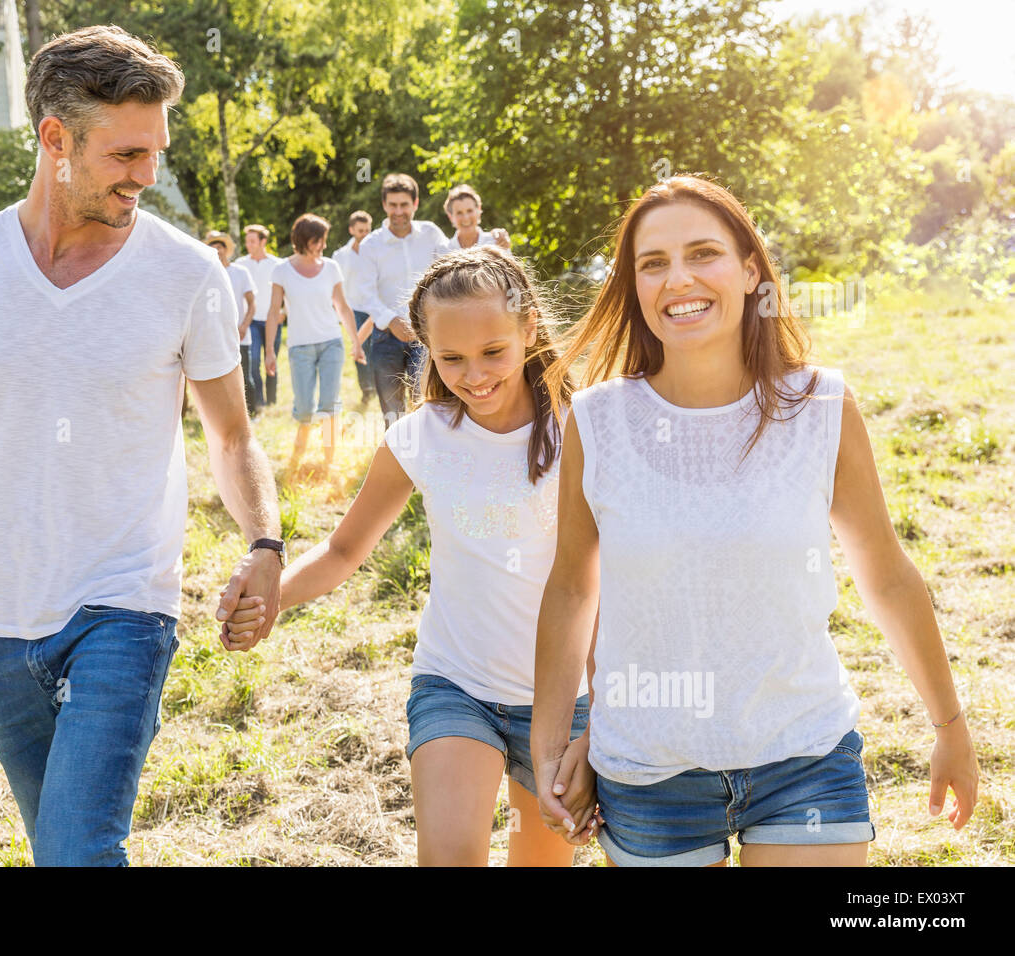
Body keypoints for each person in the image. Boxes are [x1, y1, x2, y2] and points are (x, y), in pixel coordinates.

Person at [0, 25, 285, 867]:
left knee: (78, 853)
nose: (147, 176)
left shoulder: (186, 275)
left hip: (126, 607)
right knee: (59, 854)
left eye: (157, 152)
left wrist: (264, 540)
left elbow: (232, 435)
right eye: (126, 154)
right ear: (55, 140)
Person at [531, 174, 980, 867]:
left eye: (702, 253)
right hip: (651, 772)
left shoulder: (821, 407)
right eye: (653, 263)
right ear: (635, 286)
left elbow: (886, 576)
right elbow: (571, 591)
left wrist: (950, 725)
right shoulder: (598, 420)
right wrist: (553, 743)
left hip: (803, 754)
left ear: (749, 272)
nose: (678, 278)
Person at [227, 245, 595, 865]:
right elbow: (344, 550)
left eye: (493, 353)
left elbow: (608, 580)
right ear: (425, 346)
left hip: (564, 699)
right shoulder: (419, 438)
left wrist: (608, 705)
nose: (474, 375)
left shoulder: (582, 429)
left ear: (529, 327)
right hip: (456, 685)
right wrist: (271, 598)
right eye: (451, 358)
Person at [265, 213, 366, 476]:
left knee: (330, 405)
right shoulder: (282, 271)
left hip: (331, 343)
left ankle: (329, 462)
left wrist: (356, 343)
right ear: (303, 239)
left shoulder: (331, 267)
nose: (322, 244)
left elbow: (342, 307)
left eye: (323, 239)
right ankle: (296, 459)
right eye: (317, 239)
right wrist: (269, 352)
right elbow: (274, 313)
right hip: (300, 347)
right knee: (306, 408)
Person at [353, 173, 448, 426]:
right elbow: (366, 293)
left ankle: (425, 461)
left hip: (425, 334)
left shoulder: (431, 234)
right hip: (385, 338)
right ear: (384, 205)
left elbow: (453, 266)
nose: (398, 211)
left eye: (404, 205)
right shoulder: (371, 244)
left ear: (415, 204)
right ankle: (397, 462)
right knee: (392, 412)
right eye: (393, 205)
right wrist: (391, 320)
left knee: (425, 404)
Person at [206, 229, 257, 416]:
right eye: (213, 247)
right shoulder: (206, 274)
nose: (217, 251)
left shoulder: (240, 272)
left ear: (226, 250)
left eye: (220, 247)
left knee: (245, 376)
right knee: (220, 377)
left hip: (240, 333)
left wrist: (244, 325)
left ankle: (252, 412)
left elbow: (252, 303)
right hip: (216, 336)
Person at [235, 224, 285, 409]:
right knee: (254, 361)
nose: (248, 244)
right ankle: (259, 401)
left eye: (252, 241)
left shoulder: (277, 264)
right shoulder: (241, 264)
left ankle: (272, 401)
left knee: (271, 360)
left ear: (263, 242)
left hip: (273, 321)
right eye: (247, 241)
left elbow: (287, 291)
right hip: (253, 322)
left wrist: (284, 313)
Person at [331, 210, 376, 403]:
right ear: (351, 230)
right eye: (360, 230)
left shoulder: (377, 251)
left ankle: (378, 384)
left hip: (375, 306)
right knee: (359, 346)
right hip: (353, 308)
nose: (364, 234)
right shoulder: (340, 256)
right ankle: (367, 388)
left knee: (379, 348)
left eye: (367, 230)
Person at [440, 184, 511, 254]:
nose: (466, 217)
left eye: (469, 211)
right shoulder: (444, 251)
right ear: (450, 217)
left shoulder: (498, 242)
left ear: (479, 210)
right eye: (459, 213)